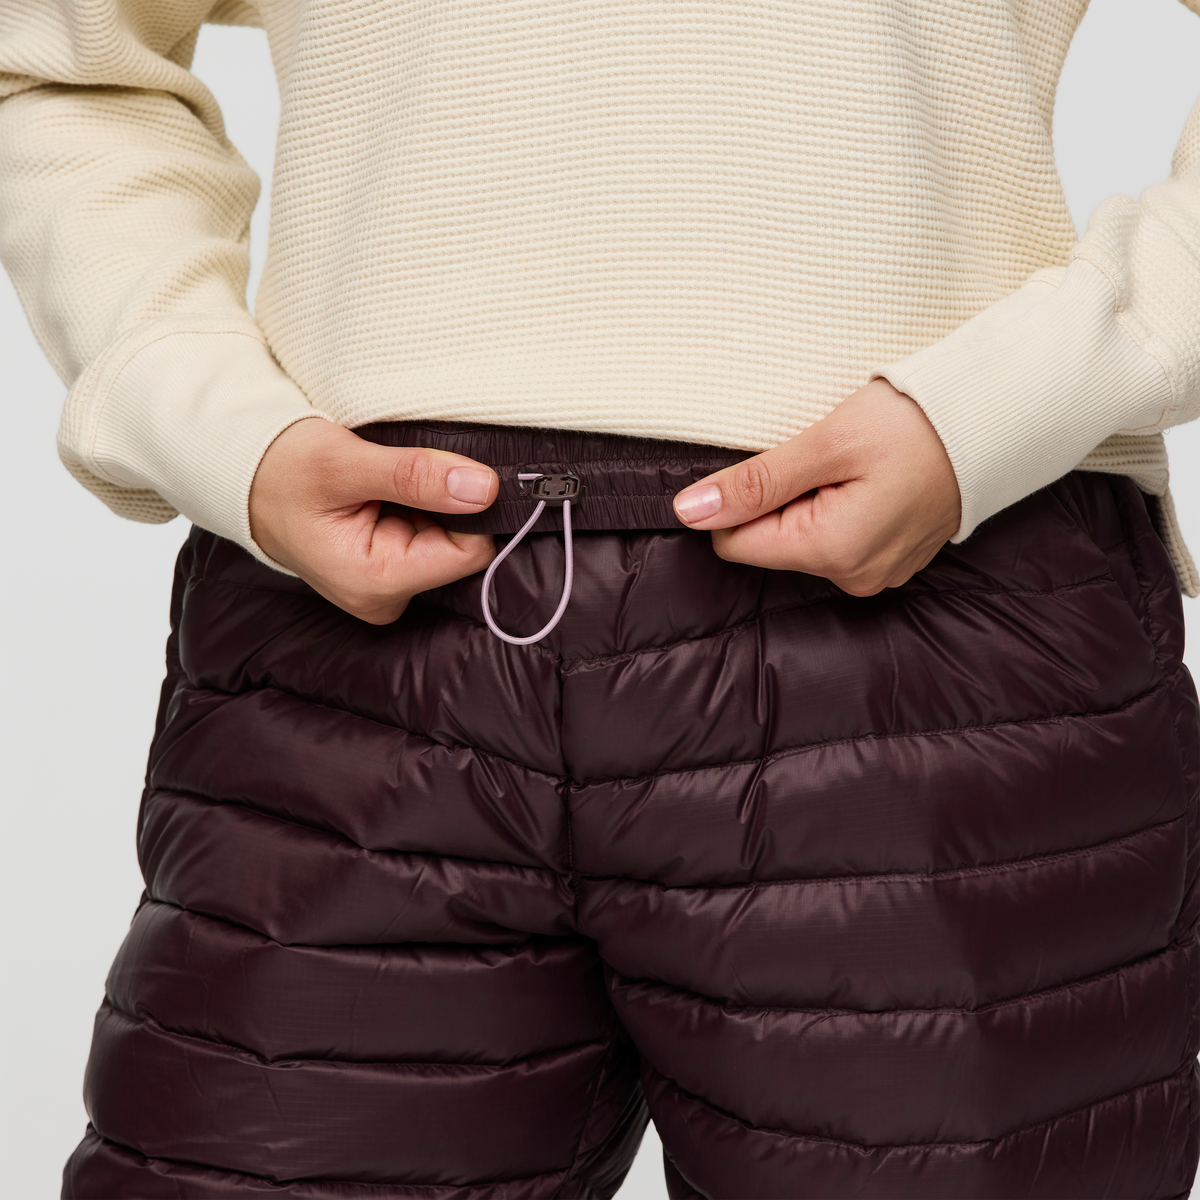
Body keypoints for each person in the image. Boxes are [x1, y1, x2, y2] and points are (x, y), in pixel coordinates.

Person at [2, 1, 1199, 1195]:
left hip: (929, 629)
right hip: (359, 639)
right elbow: (54, 62)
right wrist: (206, 410)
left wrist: (1027, 390)